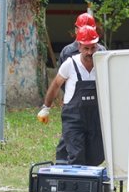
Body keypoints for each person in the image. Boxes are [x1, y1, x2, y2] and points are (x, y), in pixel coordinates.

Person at [39, 25, 104, 166]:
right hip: (74, 119)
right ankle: (77, 185)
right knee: (77, 156)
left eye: (93, 48)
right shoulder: (70, 64)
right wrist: (46, 107)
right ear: (79, 46)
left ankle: (89, 185)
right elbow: (56, 85)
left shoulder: (102, 63)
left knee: (96, 157)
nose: (90, 52)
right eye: (86, 48)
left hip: (95, 118)